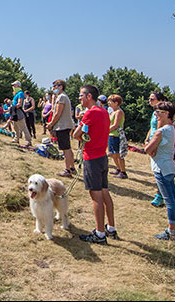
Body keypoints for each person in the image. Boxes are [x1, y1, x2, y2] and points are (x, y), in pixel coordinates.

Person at [74, 85, 116, 244]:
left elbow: (76, 134)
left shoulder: (90, 113)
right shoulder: (105, 112)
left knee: (96, 196)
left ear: (89, 96)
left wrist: (83, 137)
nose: (79, 98)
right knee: (105, 193)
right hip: (102, 157)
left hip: (92, 158)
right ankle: (110, 227)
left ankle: (99, 233)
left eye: (81, 95)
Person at [146, 101, 175, 240]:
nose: (156, 114)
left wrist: (151, 147)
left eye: (159, 112)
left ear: (167, 113)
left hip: (161, 168)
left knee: (169, 201)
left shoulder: (161, 131)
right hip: (169, 166)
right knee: (174, 198)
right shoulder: (172, 129)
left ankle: (171, 230)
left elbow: (148, 149)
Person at [147, 91, 175, 207]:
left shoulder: (164, 115)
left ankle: (160, 196)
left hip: (159, 144)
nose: (149, 101)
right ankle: (160, 194)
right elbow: (152, 127)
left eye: (152, 99)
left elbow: (162, 130)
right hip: (153, 141)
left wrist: (156, 144)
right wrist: (147, 139)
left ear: (160, 100)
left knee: (161, 172)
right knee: (156, 170)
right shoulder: (155, 113)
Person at [48, 80, 76, 178]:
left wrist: (51, 124)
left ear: (60, 87)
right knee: (68, 148)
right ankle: (72, 167)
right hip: (65, 125)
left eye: (55, 86)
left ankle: (67, 170)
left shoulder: (61, 97)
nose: (53, 88)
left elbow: (57, 113)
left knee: (65, 149)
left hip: (62, 126)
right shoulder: (62, 97)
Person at [107, 94, 128, 179]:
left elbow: (115, 125)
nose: (109, 103)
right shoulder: (112, 112)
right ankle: (118, 169)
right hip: (111, 135)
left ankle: (123, 172)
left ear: (116, 103)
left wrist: (105, 131)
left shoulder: (119, 112)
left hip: (116, 135)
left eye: (110, 101)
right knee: (112, 154)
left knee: (118, 154)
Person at [10, 81, 32, 147]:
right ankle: (16, 139)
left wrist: (14, 106)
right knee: (15, 126)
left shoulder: (20, 93)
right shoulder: (16, 94)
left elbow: (19, 103)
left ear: (18, 86)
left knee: (23, 127)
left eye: (14, 85)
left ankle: (28, 141)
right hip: (14, 111)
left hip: (18, 111)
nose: (13, 87)